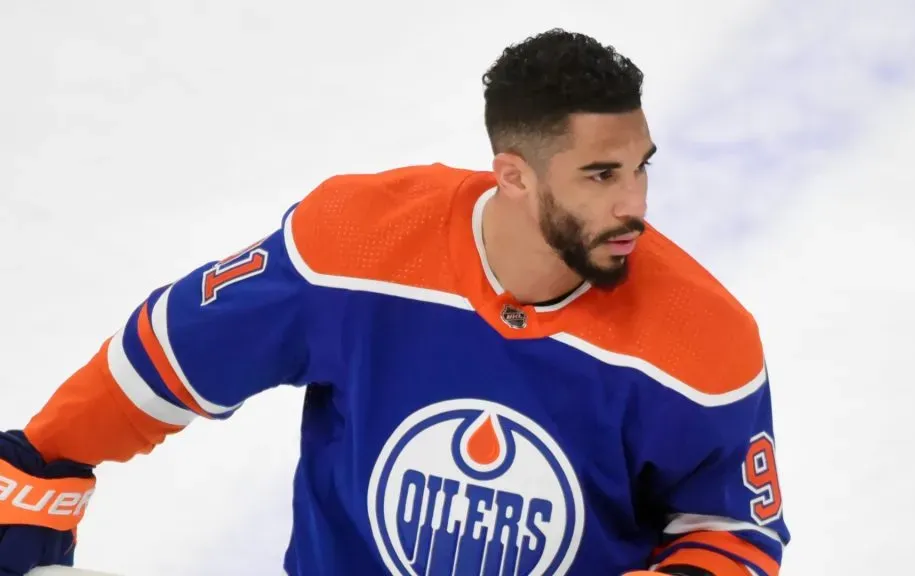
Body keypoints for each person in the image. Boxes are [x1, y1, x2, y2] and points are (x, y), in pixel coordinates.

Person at [0, 28, 790, 576]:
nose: (635, 204)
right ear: (513, 175)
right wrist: (43, 463)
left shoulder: (701, 340)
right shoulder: (358, 249)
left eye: (641, 167)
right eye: (601, 175)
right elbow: (174, 354)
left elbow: (735, 534)